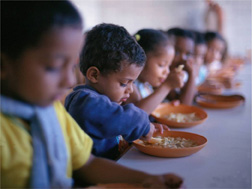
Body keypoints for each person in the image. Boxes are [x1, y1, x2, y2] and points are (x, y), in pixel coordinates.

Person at [0, 1, 184, 188]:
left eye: (70, 66)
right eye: (54, 67)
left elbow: (87, 164)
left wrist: (146, 179)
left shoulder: (51, 111)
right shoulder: (7, 129)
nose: (69, 82)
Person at [64, 23, 169, 160]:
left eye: (133, 83)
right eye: (124, 83)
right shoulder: (84, 101)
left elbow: (120, 126)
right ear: (94, 75)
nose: (130, 90)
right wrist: (141, 124)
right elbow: (120, 118)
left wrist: (145, 129)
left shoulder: (106, 101)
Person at [124, 29, 184, 115]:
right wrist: (167, 86)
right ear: (141, 60)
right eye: (161, 65)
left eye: (169, 65)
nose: (167, 71)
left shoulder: (147, 84)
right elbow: (138, 114)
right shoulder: (130, 85)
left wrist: (165, 106)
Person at [167, 28, 197, 105]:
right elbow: (184, 105)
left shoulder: (179, 76)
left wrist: (192, 74)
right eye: (177, 52)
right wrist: (192, 75)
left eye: (187, 54)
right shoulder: (160, 76)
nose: (183, 59)